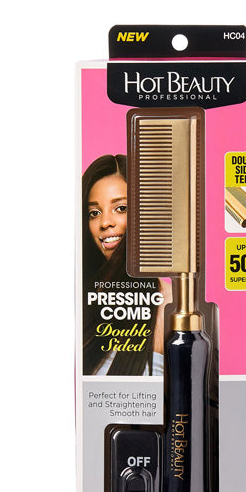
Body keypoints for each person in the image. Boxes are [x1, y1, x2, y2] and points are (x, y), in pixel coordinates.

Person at [82, 154, 171, 375]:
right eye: (94, 213)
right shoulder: (82, 300)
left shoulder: (172, 306)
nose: (105, 222)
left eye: (121, 208)